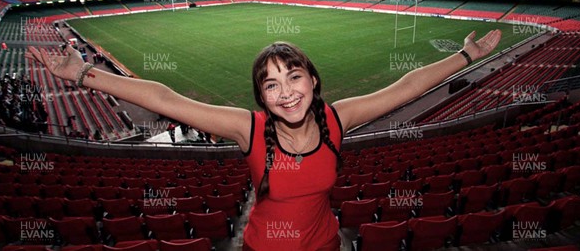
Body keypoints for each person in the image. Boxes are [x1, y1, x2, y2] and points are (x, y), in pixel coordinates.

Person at [26, 29, 501, 250]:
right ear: (261, 97)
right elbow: (163, 97)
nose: (286, 92)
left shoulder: (338, 120)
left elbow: (406, 88)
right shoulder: (249, 130)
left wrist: (465, 55)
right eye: (271, 85)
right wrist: (85, 74)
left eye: (293, 77)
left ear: (313, 81)